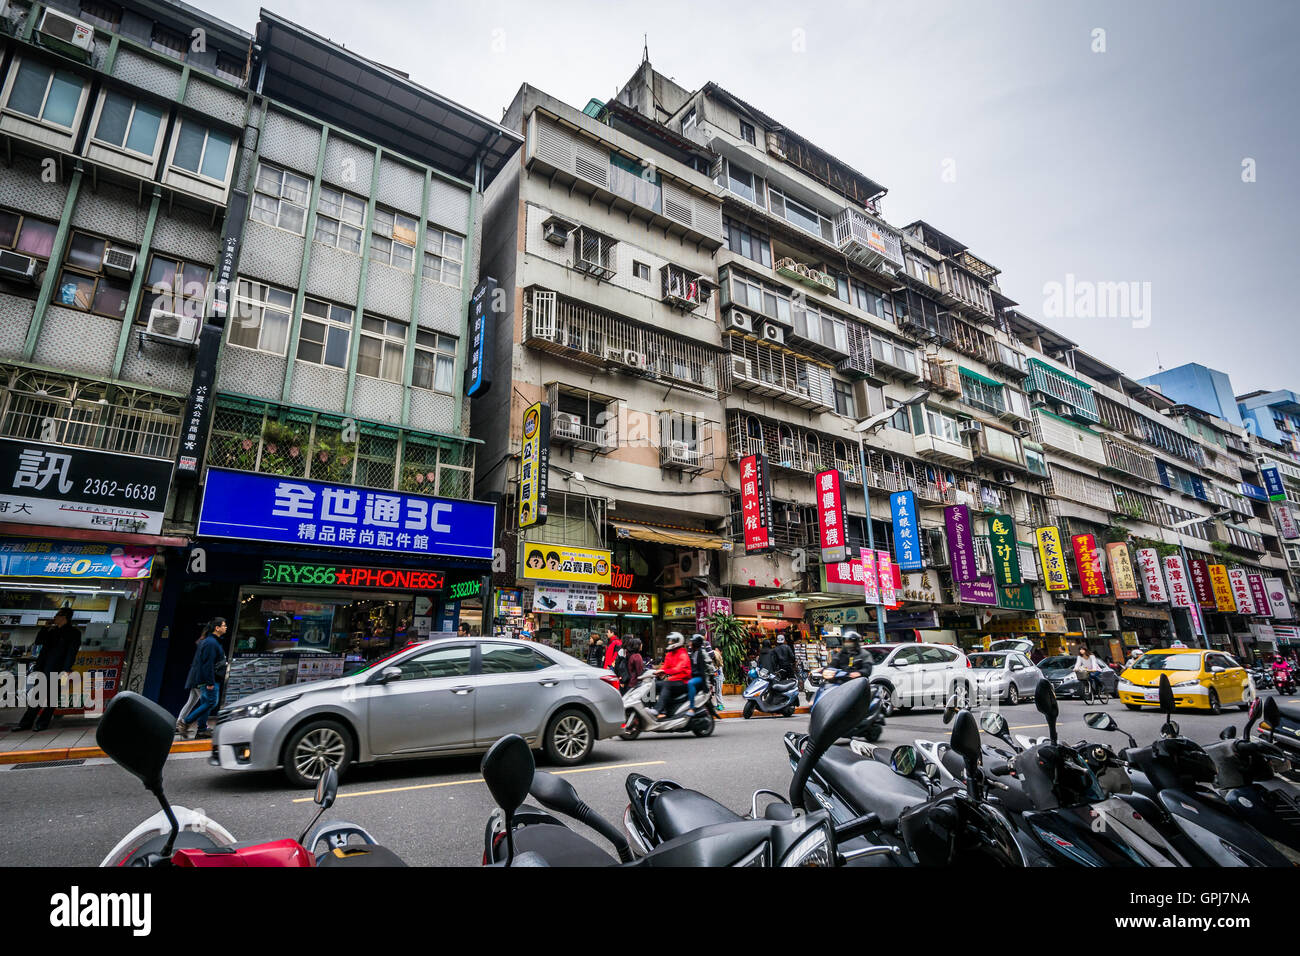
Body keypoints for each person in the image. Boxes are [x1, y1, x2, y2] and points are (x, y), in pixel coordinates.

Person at [15, 607, 82, 732]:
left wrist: (66, 669)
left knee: (52, 698)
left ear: (64, 617)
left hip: (60, 669)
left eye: (57, 615)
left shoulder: (74, 633)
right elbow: (38, 641)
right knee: (37, 696)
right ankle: (26, 723)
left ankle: (42, 723)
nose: (54, 617)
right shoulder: (51, 631)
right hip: (43, 667)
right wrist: (44, 628)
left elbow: (72, 652)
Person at [177, 618, 228, 740]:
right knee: (211, 702)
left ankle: (201, 730)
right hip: (210, 679)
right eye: (224, 625)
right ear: (217, 628)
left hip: (209, 678)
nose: (226, 627)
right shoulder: (211, 643)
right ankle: (185, 721)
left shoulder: (212, 641)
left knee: (205, 703)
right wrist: (210, 682)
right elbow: (208, 664)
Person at [655, 632, 691, 719]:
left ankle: (659, 710)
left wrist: (664, 671)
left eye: (672, 641)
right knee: (652, 685)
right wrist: (657, 672)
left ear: (678, 641)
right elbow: (665, 666)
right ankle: (651, 708)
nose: (669, 642)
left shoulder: (683, 654)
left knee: (666, 685)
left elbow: (678, 669)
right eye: (669, 640)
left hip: (683, 682)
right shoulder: (669, 654)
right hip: (673, 680)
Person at [685, 635, 711, 717]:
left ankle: (691, 708)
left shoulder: (702, 653)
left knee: (690, 683)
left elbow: (707, 668)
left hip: (701, 677)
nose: (690, 643)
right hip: (695, 675)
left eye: (691, 642)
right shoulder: (693, 652)